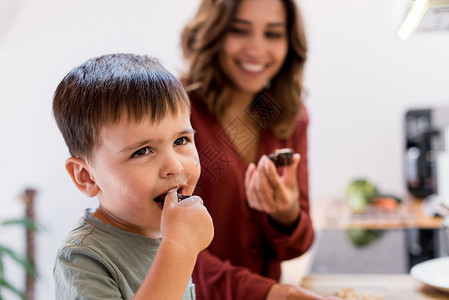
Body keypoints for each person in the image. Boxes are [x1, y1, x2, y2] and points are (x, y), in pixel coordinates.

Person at [181, 0, 338, 299]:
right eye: (239, 30)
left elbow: (297, 245)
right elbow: (160, 246)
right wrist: (275, 294)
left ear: (289, 44)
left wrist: (286, 213)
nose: (255, 50)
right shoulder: (175, 112)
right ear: (213, 32)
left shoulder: (285, 114)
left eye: (273, 34)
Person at [52, 53, 214, 299]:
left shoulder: (168, 233)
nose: (175, 165)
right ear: (87, 176)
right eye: (142, 151)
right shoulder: (82, 258)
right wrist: (180, 249)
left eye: (181, 140)